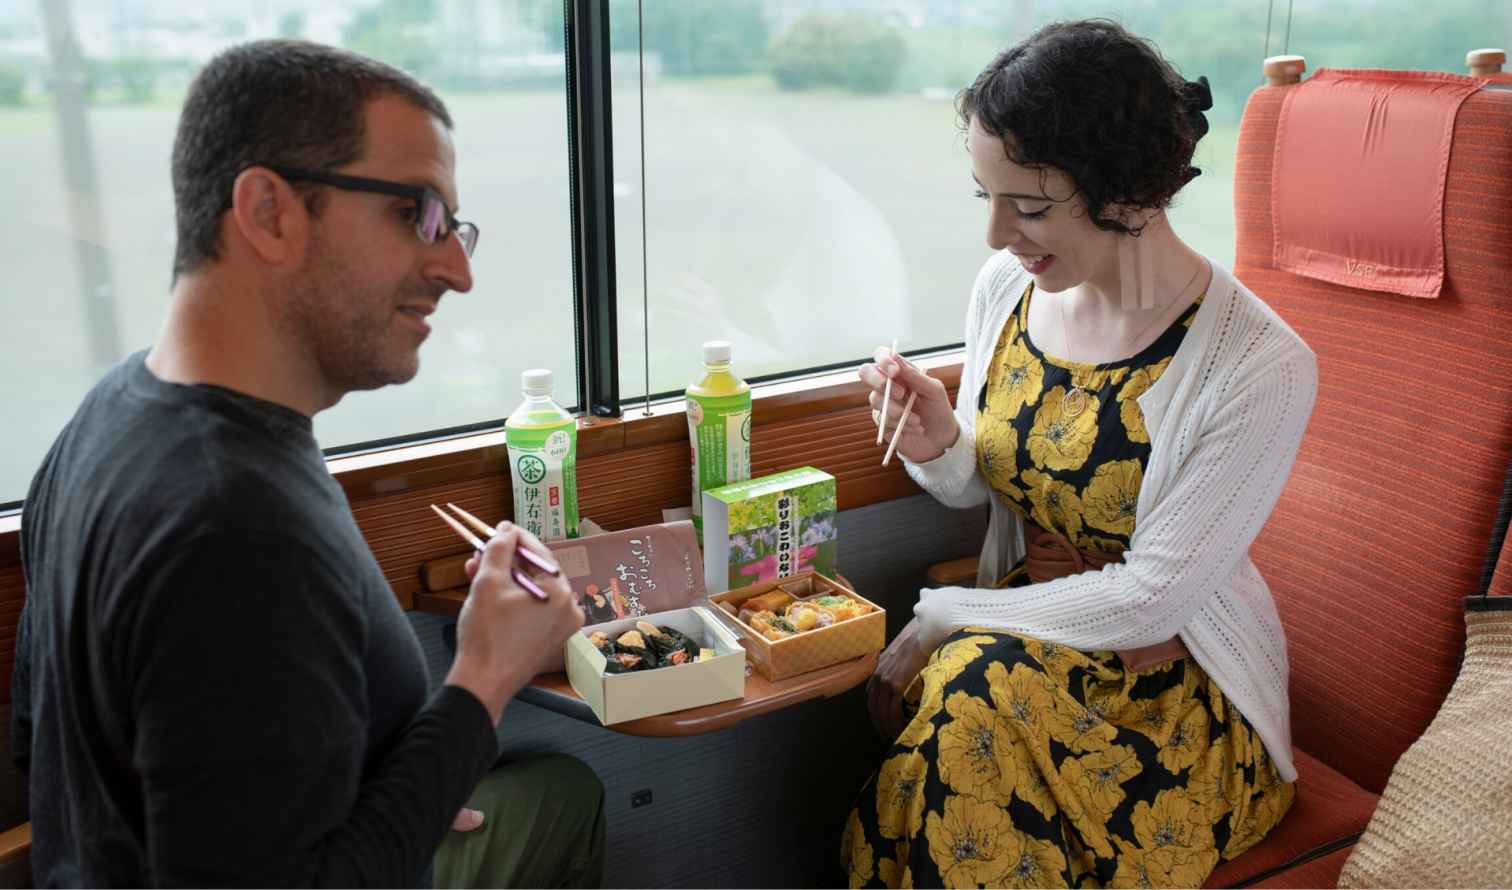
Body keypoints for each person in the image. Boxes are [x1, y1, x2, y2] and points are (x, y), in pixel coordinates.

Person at [10, 40, 603, 887]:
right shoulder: (237, 529)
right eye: (417, 213)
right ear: (269, 212)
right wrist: (484, 675)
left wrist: (403, 783)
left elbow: (50, 736)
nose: (457, 270)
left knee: (558, 794)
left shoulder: (111, 411)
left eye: (455, 226)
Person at [845, 20, 1317, 888]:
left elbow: (1149, 600)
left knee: (964, 701)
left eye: (1025, 207)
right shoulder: (1010, 290)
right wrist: (939, 441)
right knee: (967, 706)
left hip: (1175, 697)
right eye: (983, 196)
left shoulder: (1258, 364)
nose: (996, 234)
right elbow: (984, 488)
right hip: (1031, 641)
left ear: (1129, 191)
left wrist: (950, 613)